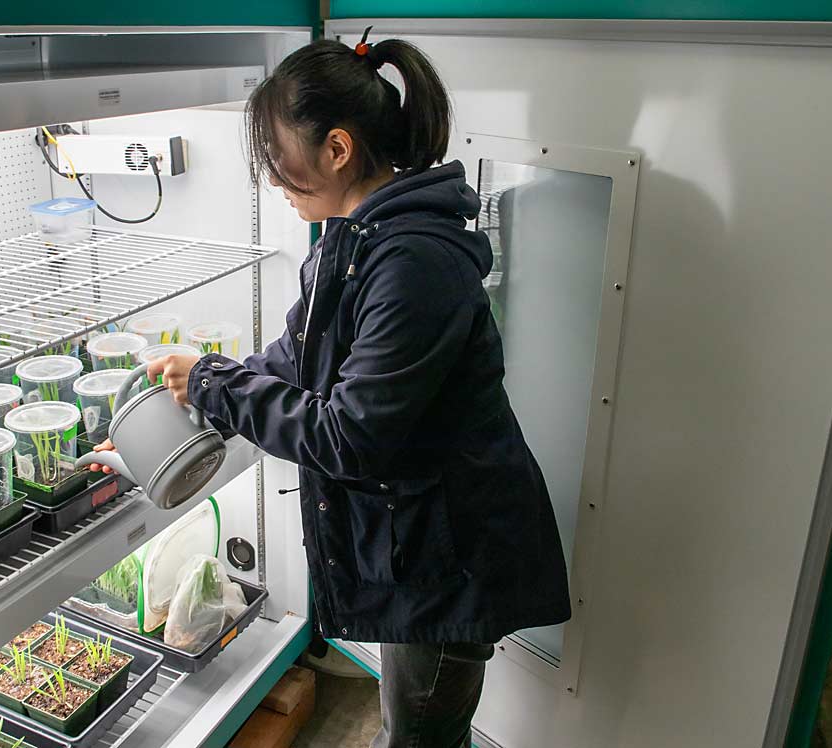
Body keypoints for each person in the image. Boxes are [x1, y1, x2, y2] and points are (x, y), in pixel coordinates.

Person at [92, 29, 571, 748]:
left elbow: (352, 435)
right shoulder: (358, 239)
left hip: (449, 558)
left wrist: (219, 387)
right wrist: (194, 403)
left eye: (279, 163)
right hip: (419, 540)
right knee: (413, 720)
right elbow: (296, 355)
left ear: (338, 150)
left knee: (419, 734)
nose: (274, 183)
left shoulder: (413, 263)